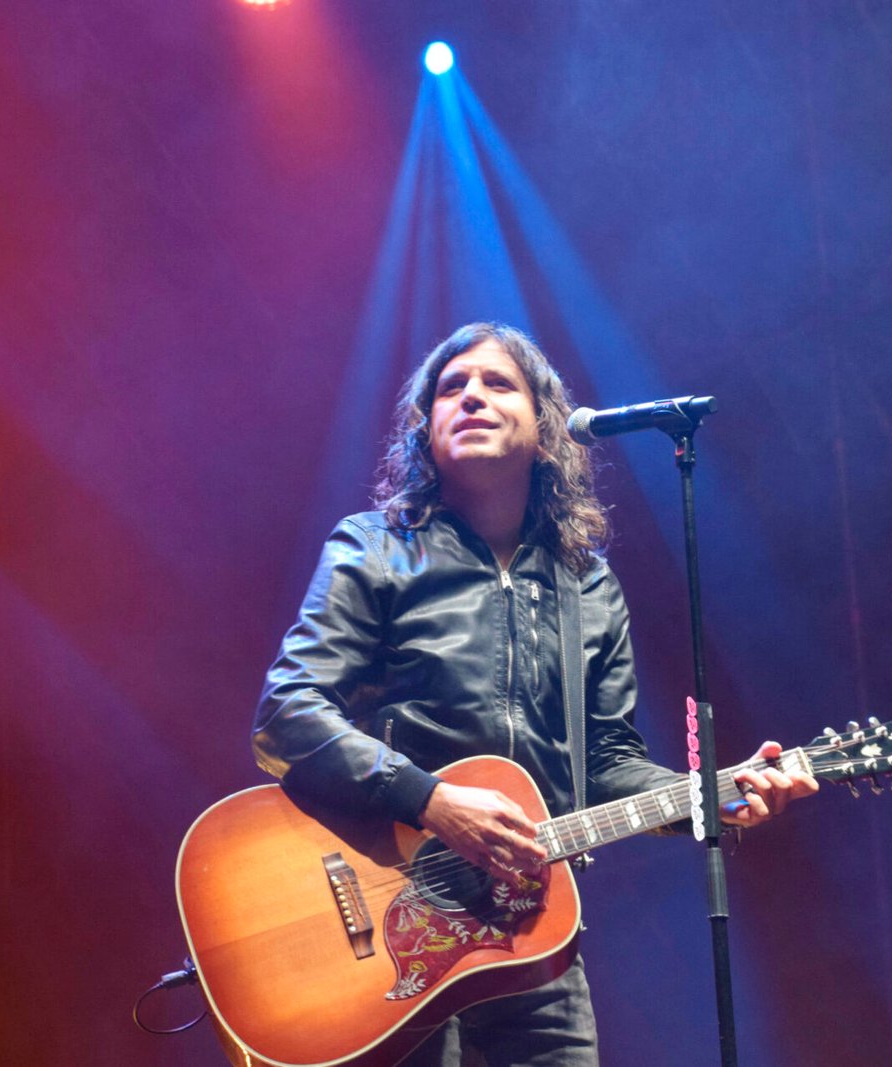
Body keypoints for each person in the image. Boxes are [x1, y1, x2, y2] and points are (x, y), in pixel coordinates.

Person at [252, 322, 818, 1066]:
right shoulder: (376, 547)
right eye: (451, 388)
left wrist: (714, 795)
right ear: (425, 432)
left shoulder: (588, 586)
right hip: (388, 927)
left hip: (532, 935)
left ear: (546, 432)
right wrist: (430, 800)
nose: (471, 397)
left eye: (498, 383)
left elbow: (607, 762)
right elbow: (288, 712)